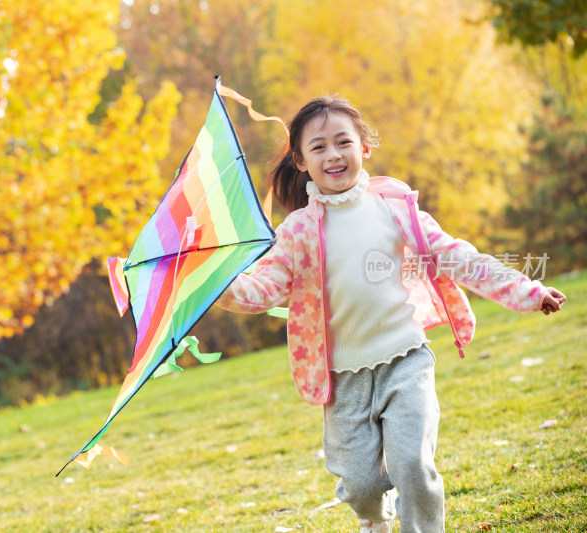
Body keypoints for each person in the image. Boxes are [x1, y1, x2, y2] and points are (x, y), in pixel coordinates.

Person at [214, 96, 567, 533]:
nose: (333, 154)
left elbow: (457, 256)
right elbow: (264, 287)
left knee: (412, 465)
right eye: (318, 147)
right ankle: (373, 520)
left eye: (343, 141)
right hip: (343, 378)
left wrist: (527, 290)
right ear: (301, 161)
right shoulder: (297, 232)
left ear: (364, 147)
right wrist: (220, 287)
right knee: (360, 484)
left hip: (406, 358)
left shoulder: (394, 207)